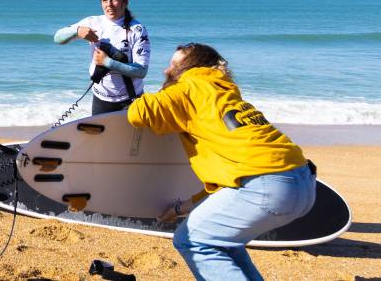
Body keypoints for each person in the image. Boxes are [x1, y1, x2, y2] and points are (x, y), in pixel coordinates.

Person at [128, 42, 316, 281]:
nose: (167, 70)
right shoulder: (226, 92)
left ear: (191, 67)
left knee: (191, 241)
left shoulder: (188, 87)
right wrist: (178, 209)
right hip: (302, 182)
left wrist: (163, 88)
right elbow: (226, 186)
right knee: (223, 243)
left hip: (265, 186)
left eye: (174, 64)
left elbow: (138, 112)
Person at [53, 0, 150, 114]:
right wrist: (77, 31)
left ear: (125, 2)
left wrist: (107, 62)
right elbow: (58, 38)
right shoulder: (93, 22)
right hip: (101, 99)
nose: (109, 4)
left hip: (131, 100)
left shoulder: (137, 30)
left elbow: (141, 71)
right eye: (105, 0)